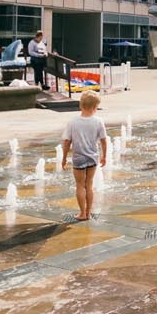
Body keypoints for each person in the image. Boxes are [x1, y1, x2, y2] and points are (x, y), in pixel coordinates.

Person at [60, 91, 109, 221]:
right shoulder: (98, 121)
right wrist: (104, 156)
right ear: (95, 107)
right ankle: (88, 212)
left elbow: (67, 141)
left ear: (80, 106)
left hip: (79, 157)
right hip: (93, 156)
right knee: (89, 185)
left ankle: (82, 213)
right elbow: (104, 140)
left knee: (80, 186)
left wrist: (64, 157)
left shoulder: (73, 122)